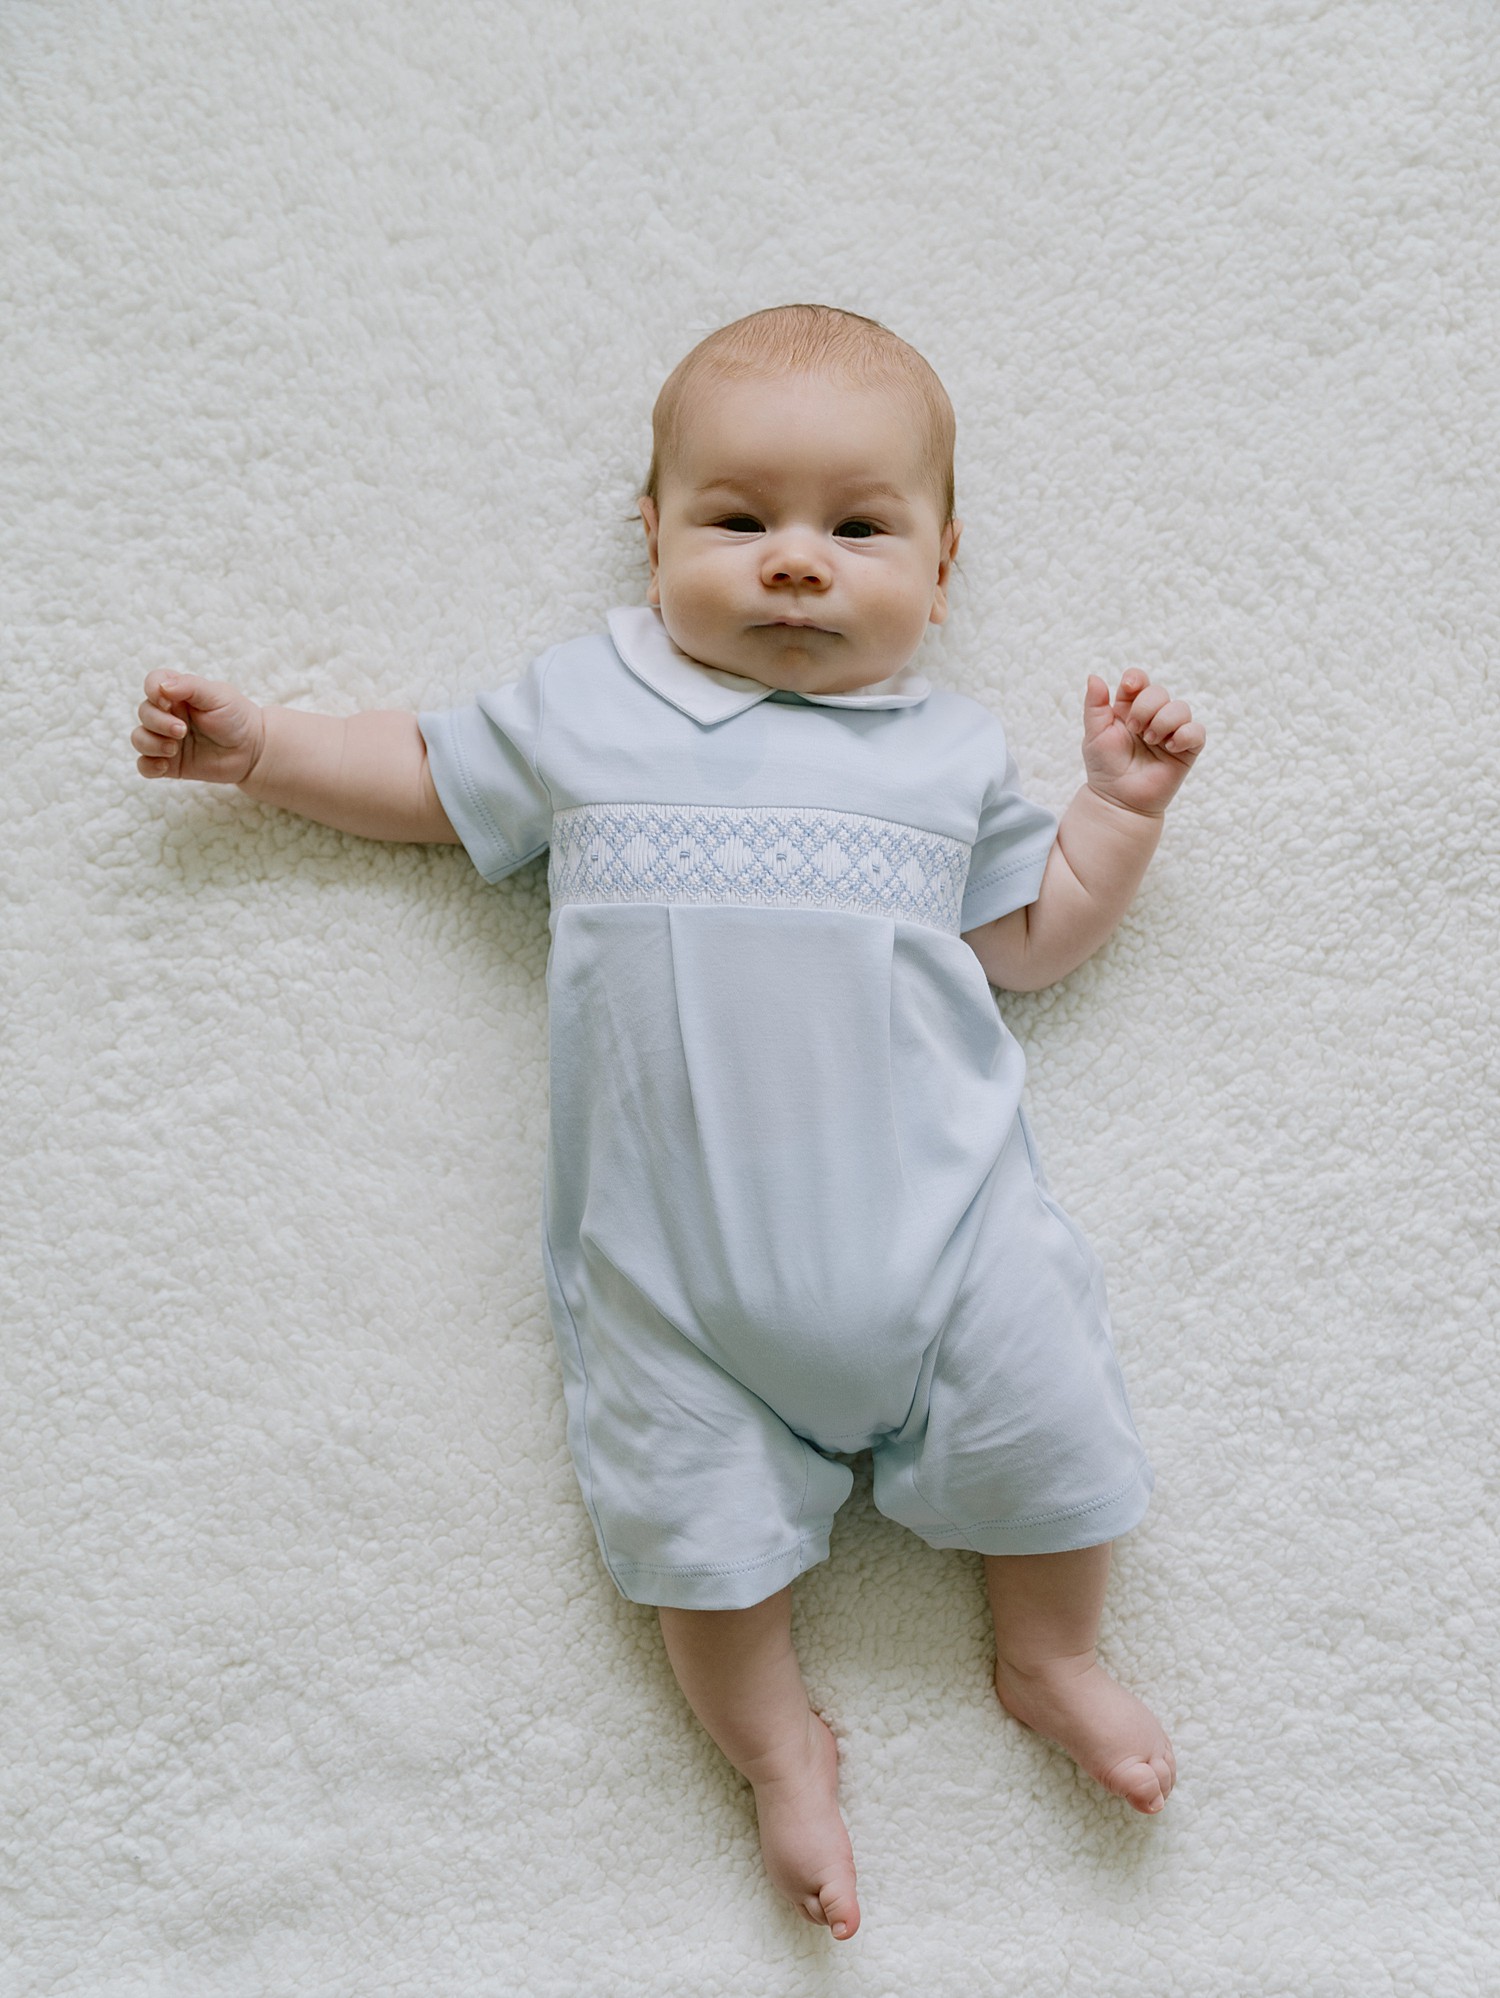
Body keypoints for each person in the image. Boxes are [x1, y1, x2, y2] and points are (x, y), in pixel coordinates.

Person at [131, 304, 1203, 1942]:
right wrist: (265, 747)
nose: (793, 564)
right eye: (736, 519)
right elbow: (425, 775)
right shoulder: (593, 706)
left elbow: (1032, 942)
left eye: (857, 528)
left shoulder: (946, 752)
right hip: (675, 1285)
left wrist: (1114, 814)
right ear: (651, 535)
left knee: (1056, 1435)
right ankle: (780, 1750)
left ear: (943, 558)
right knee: (692, 1552)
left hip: (947, 1237)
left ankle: (1049, 1657)